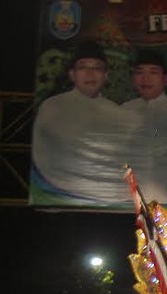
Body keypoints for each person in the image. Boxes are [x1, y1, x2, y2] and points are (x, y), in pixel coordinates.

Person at [31, 39, 134, 204]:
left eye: (96, 68)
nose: (90, 74)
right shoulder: (53, 107)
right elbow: (44, 156)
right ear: (72, 74)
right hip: (60, 196)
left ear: (106, 75)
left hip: (107, 201)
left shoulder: (117, 113)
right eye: (83, 67)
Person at [122, 49, 167, 204]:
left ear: (165, 79)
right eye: (140, 72)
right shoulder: (123, 111)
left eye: (153, 72)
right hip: (124, 203)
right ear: (133, 78)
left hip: (165, 203)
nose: (145, 78)